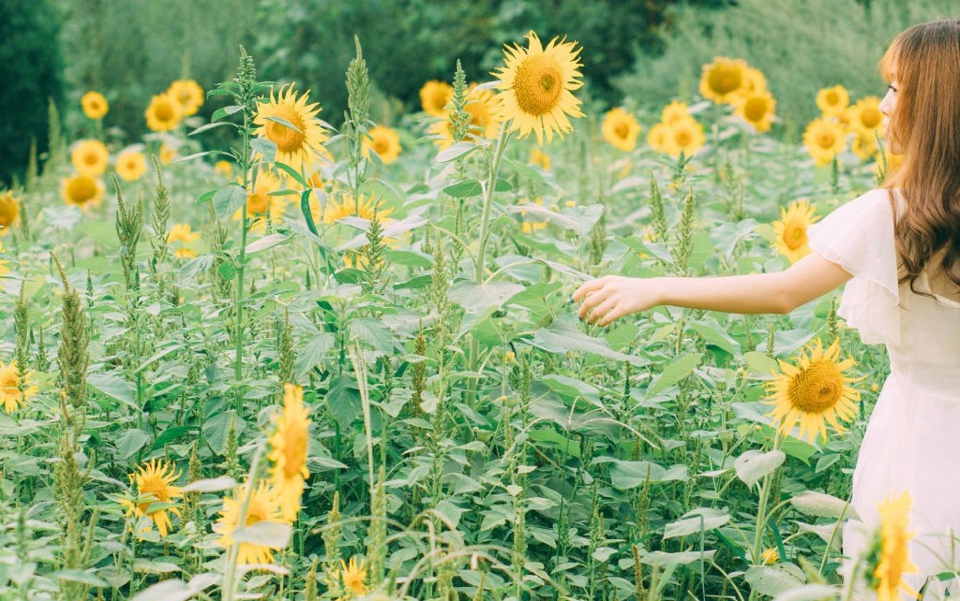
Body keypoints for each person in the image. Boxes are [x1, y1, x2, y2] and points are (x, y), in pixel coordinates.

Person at [573, 17, 960, 601]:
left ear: (936, 106)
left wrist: (656, 286)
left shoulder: (894, 216)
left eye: (898, 89)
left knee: (907, 579)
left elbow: (783, 293)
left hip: (921, 436)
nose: (882, 106)